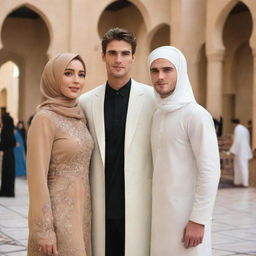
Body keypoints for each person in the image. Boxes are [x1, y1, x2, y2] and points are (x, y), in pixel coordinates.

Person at [79, 27, 155, 256]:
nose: (118, 59)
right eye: (112, 53)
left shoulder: (152, 99)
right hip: (101, 203)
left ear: (133, 57)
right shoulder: (85, 102)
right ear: (103, 56)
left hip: (139, 205)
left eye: (124, 53)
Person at [148, 46, 220, 256]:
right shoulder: (158, 115)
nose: (160, 76)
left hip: (187, 220)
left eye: (167, 69)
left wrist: (199, 219)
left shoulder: (195, 115)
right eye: (154, 70)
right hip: (160, 218)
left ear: (180, 71)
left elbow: (210, 170)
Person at [27, 53, 93, 256]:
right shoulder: (44, 118)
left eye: (81, 74)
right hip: (57, 214)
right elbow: (37, 178)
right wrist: (44, 229)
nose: (76, 80)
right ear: (53, 77)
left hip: (82, 212)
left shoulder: (79, 116)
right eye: (68, 73)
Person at [230, 118, 252, 187]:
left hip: (240, 151)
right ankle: (239, 182)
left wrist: (232, 151)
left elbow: (237, 141)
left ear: (234, 123)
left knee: (241, 166)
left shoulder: (238, 129)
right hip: (243, 150)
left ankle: (244, 183)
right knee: (241, 166)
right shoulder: (244, 129)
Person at [0, 112, 16, 197]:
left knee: (6, 173)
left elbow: (3, 145)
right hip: (11, 155)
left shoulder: (4, 132)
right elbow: (13, 143)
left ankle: (5, 192)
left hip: (7, 155)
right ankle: (9, 192)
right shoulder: (10, 131)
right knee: (9, 174)